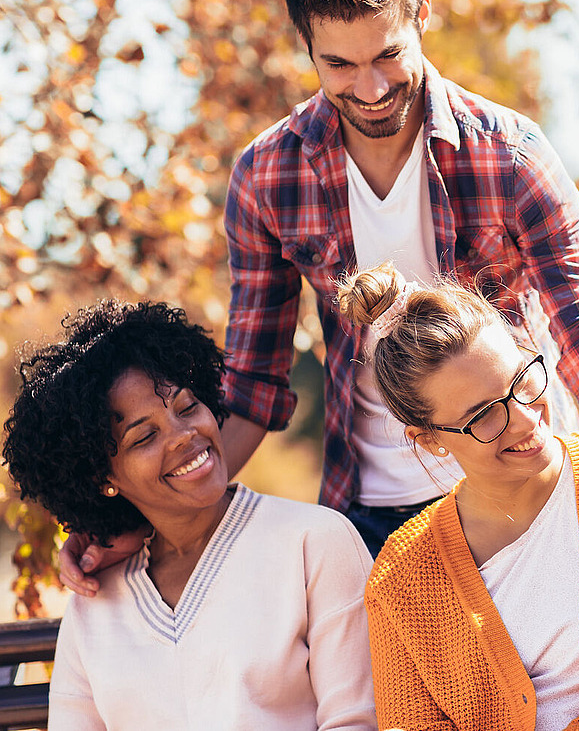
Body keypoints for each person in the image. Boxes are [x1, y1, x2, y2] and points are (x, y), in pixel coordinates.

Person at [58, 0, 579, 589]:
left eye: (388, 55)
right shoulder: (270, 175)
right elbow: (252, 389)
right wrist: (148, 517)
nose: (370, 87)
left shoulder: (510, 153)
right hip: (377, 516)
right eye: (340, 66)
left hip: (526, 481)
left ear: (422, 13)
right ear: (307, 48)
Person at [333, 262, 579, 730]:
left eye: (522, 381)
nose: (522, 418)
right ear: (429, 439)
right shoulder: (401, 581)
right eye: (484, 415)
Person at [3, 301, 375, 730]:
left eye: (187, 407)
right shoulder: (95, 601)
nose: (185, 437)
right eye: (144, 437)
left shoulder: (314, 543)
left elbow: (356, 721)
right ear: (103, 477)